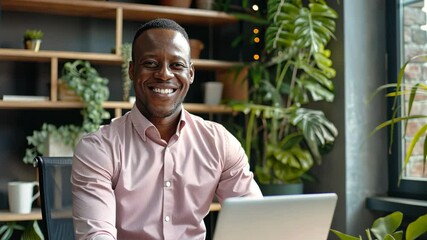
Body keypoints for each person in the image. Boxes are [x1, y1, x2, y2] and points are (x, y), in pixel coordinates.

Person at [71, 18, 262, 240]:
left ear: (190, 73)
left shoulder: (219, 143)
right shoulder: (99, 149)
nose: (164, 74)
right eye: (151, 63)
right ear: (132, 71)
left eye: (176, 65)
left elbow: (255, 222)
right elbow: (96, 235)